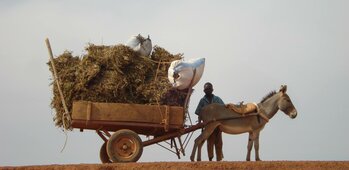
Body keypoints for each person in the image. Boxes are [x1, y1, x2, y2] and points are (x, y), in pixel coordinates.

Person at [195, 82, 224, 161]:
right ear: (204, 91)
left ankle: (219, 159)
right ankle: (210, 159)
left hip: (217, 125)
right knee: (210, 142)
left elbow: (224, 109)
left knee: (219, 142)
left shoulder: (217, 99)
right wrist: (199, 122)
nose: (208, 90)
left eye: (209, 89)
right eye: (206, 89)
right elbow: (199, 113)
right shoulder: (202, 101)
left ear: (212, 90)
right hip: (208, 126)